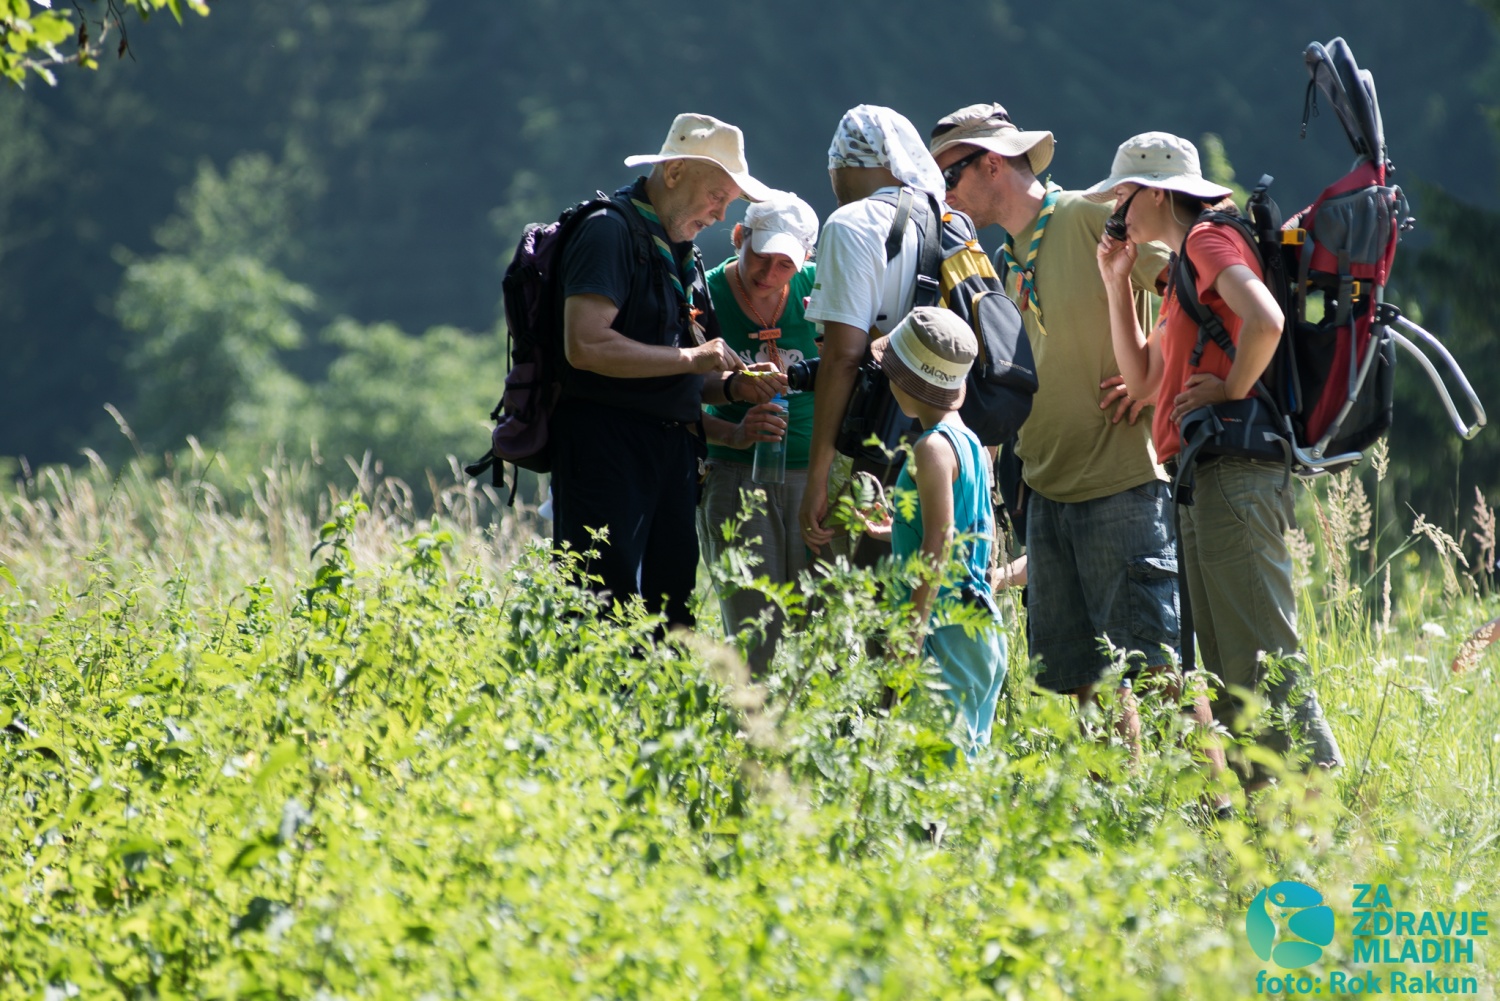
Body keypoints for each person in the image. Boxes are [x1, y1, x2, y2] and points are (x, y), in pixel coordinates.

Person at [1089, 131, 1344, 788]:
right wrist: (1118, 284)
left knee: (1264, 663)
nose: (1115, 208)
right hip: (1204, 475)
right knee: (1233, 679)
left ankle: (1327, 826)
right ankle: (1271, 839)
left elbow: (1265, 319)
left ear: (1150, 192)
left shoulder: (1206, 239)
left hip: (1233, 468)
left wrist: (1232, 388)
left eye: (1122, 195)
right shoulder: (1181, 268)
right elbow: (1145, 381)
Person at [928, 103, 1185, 750]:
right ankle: (1114, 817)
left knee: (1152, 673)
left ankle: (1208, 821)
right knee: (1077, 686)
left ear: (991, 163)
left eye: (950, 177)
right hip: (1048, 491)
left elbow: (1193, 279)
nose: (945, 196)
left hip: (1120, 483)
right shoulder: (1006, 258)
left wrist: (1154, 370)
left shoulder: (1082, 216)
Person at [553, 113, 783, 630]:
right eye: (718, 196)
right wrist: (693, 361)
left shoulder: (685, 254)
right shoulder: (608, 232)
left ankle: (659, 710)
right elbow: (585, 346)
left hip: (674, 454)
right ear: (674, 172)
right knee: (600, 609)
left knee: (669, 614)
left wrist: (733, 385)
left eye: (728, 203)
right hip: (605, 447)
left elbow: (690, 367)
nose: (721, 215)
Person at [799, 105, 952, 566]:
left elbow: (843, 360)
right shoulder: (946, 220)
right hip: (944, 444)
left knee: (861, 603)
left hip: (873, 449)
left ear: (850, 162)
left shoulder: (853, 225)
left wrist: (818, 476)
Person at [861, 307, 1006, 757]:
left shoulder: (931, 448)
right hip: (979, 624)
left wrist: (911, 632)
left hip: (946, 630)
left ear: (907, 382)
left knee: (936, 774)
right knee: (966, 763)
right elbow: (960, 529)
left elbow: (938, 544)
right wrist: (896, 530)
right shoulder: (971, 443)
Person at [697, 190, 820, 674]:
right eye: (759, 258)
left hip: (814, 476)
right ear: (737, 237)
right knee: (756, 636)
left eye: (784, 266)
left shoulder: (821, 289)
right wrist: (733, 429)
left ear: (806, 259)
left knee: (822, 631)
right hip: (734, 475)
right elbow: (674, 394)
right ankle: (756, 742)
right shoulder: (704, 296)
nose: (768, 276)